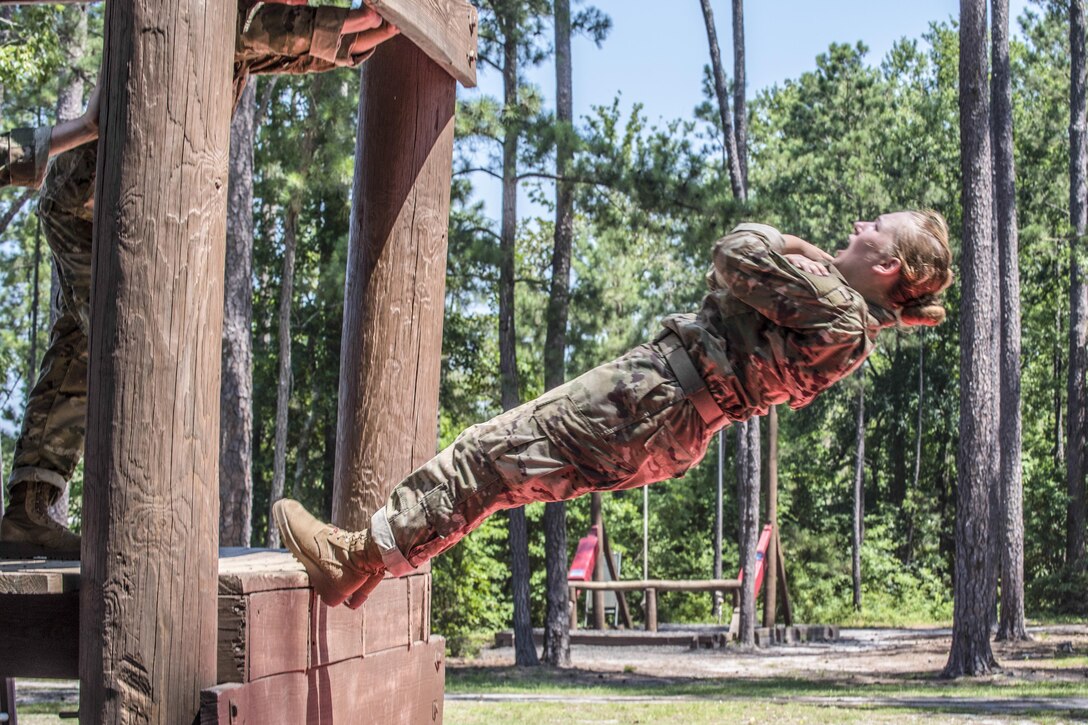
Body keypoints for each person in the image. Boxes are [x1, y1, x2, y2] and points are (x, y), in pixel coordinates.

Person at [273, 210, 955, 609]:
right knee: (500, 473)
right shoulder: (854, 326)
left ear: (888, 266)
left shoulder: (837, 306)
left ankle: (360, 557)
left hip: (654, 396)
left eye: (875, 228)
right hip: (671, 414)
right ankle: (374, 563)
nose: (860, 225)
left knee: (489, 454)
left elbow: (735, 252)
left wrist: (792, 246)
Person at [1, 3, 399, 554]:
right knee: (121, 345)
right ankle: (112, 516)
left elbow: (289, 50)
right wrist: (338, 27)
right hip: (85, 203)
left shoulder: (239, 42)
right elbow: (256, 31)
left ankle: (29, 506)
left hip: (110, 201)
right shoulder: (209, 16)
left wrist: (358, 35)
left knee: (82, 345)